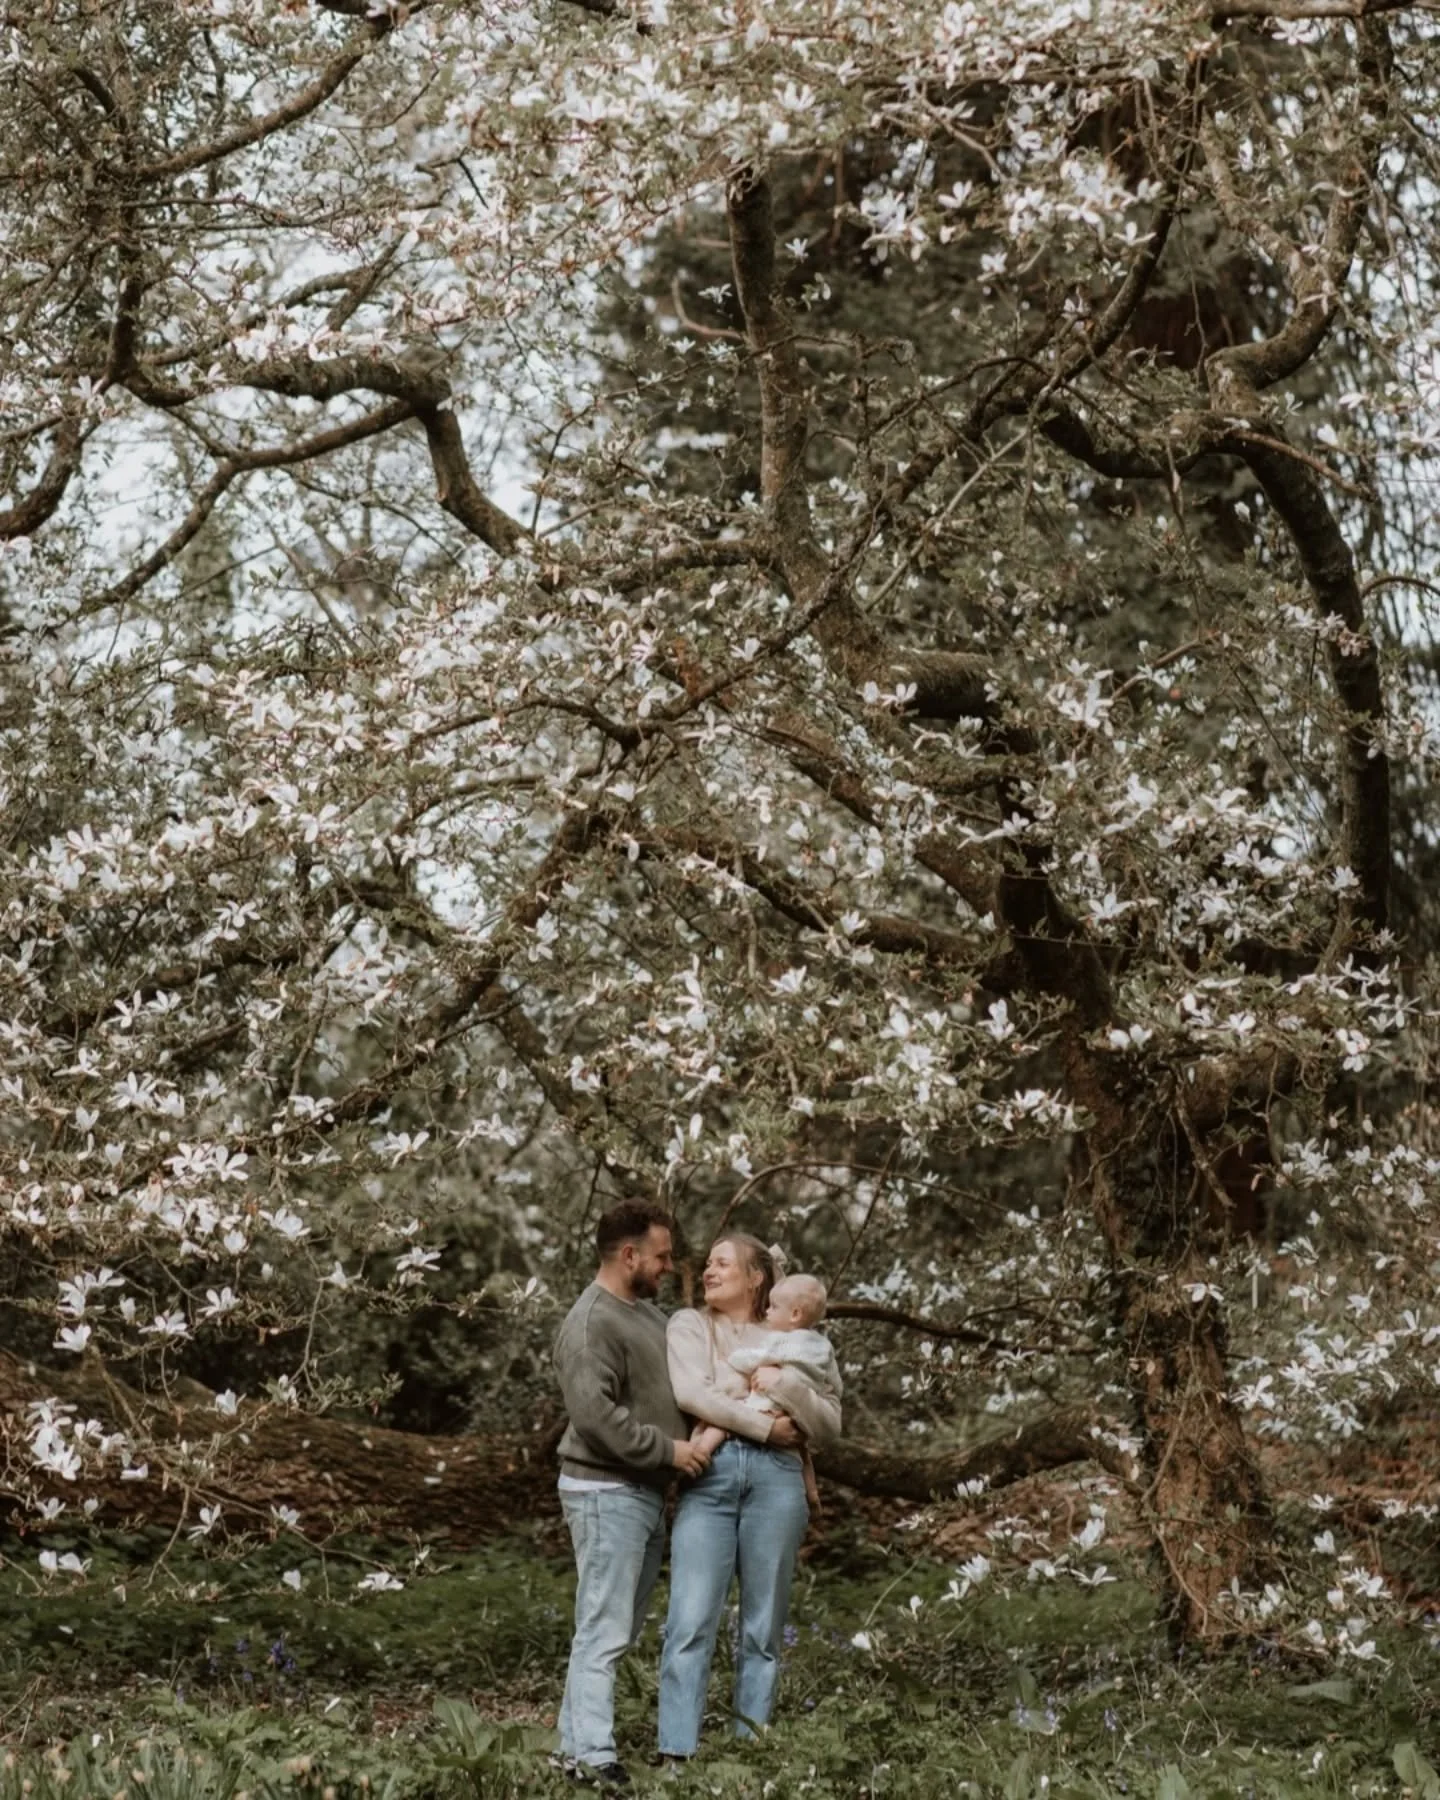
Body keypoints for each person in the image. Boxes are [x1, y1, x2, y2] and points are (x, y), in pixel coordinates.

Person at [658, 1236, 843, 1763]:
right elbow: (693, 1396)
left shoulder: (796, 1335)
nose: (708, 1271)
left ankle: (751, 1752)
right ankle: (677, 1754)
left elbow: (828, 1425)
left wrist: (785, 1387)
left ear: (755, 1275)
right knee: (691, 1618)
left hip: (778, 1482)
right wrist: (769, 1428)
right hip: (710, 1477)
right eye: (709, 1262)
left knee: (764, 1623)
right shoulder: (690, 1325)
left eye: (722, 1262)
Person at [553, 1199, 711, 1791]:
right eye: (662, 1256)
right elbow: (594, 1417)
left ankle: (572, 1749)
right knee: (604, 1628)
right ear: (629, 1254)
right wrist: (672, 1452)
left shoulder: (645, 1316)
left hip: (640, 1494)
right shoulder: (592, 1323)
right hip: (603, 1493)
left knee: (609, 1625)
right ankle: (594, 1756)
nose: (668, 1267)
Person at [688, 1273, 841, 1513]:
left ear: (795, 1315)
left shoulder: (782, 1342)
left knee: (721, 1423)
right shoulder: (823, 1346)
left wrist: (732, 1358)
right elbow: (833, 1388)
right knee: (802, 1451)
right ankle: (812, 1494)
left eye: (774, 1307)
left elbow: (753, 1360)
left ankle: (700, 1453)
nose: (768, 1311)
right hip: (795, 1414)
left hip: (768, 1405)